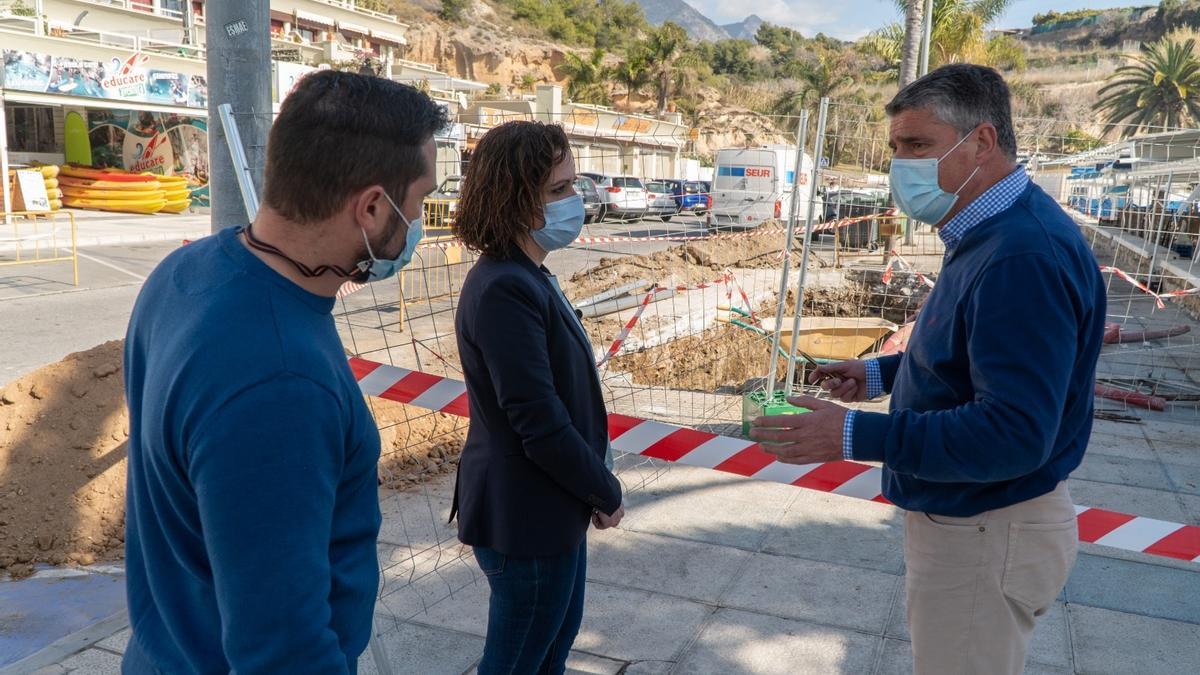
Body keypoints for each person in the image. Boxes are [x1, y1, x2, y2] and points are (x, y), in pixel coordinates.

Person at [750, 64, 1106, 675]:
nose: (900, 165)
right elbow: (970, 357)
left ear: (983, 143)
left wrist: (851, 434)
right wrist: (880, 377)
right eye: (895, 148)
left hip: (986, 531)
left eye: (918, 145)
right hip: (975, 523)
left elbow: (1015, 432)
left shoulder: (1019, 255)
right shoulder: (988, 233)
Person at [122, 70, 447, 673]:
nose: (419, 221)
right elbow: (281, 650)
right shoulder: (280, 383)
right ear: (372, 207)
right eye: (420, 200)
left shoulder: (184, 271)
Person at [451, 120, 625, 674]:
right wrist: (604, 489)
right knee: (518, 661)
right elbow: (539, 420)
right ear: (514, 198)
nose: (575, 201)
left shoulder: (529, 275)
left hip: (552, 509)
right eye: (559, 190)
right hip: (526, 516)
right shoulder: (505, 286)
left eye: (573, 185)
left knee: (550, 649)